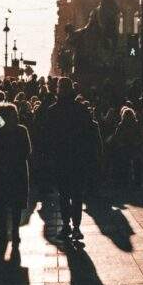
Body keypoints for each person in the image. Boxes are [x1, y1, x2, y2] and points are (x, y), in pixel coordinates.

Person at [43, 77, 100, 241]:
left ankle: (67, 225)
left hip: (61, 159)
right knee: (76, 195)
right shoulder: (81, 109)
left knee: (64, 195)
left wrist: (49, 157)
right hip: (78, 158)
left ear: (58, 90)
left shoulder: (53, 110)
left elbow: (48, 137)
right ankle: (76, 227)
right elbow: (90, 136)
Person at [0, 102, 31, 244]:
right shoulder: (19, 130)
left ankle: (10, 230)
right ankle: (7, 230)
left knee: (9, 203)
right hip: (14, 170)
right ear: (6, 117)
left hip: (5, 171)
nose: (16, 117)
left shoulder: (0, 132)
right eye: (14, 115)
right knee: (10, 203)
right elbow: (26, 150)